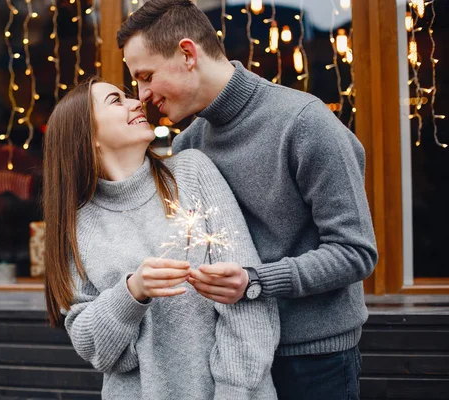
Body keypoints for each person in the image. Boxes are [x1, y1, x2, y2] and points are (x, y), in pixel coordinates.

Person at [117, 1, 378, 399]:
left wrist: (255, 281)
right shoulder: (188, 144)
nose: (142, 94)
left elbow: (356, 253)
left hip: (312, 362)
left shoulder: (304, 123)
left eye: (146, 76)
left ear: (188, 54)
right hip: (228, 360)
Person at [43, 77, 279, 399]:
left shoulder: (192, 173)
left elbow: (246, 303)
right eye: (116, 101)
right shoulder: (77, 224)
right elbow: (94, 348)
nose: (135, 102)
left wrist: (235, 392)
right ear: (88, 135)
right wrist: (132, 292)